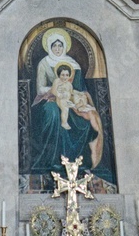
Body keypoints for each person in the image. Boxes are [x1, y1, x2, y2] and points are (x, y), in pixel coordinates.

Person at [30, 29, 104, 177]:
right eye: (54, 46)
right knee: (52, 112)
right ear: (49, 47)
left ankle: (84, 162)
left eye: (60, 46)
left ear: (64, 46)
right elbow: (40, 88)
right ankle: (51, 161)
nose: (57, 49)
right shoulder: (44, 63)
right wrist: (56, 90)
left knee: (90, 117)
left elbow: (80, 89)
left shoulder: (73, 64)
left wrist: (79, 100)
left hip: (73, 101)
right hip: (50, 99)